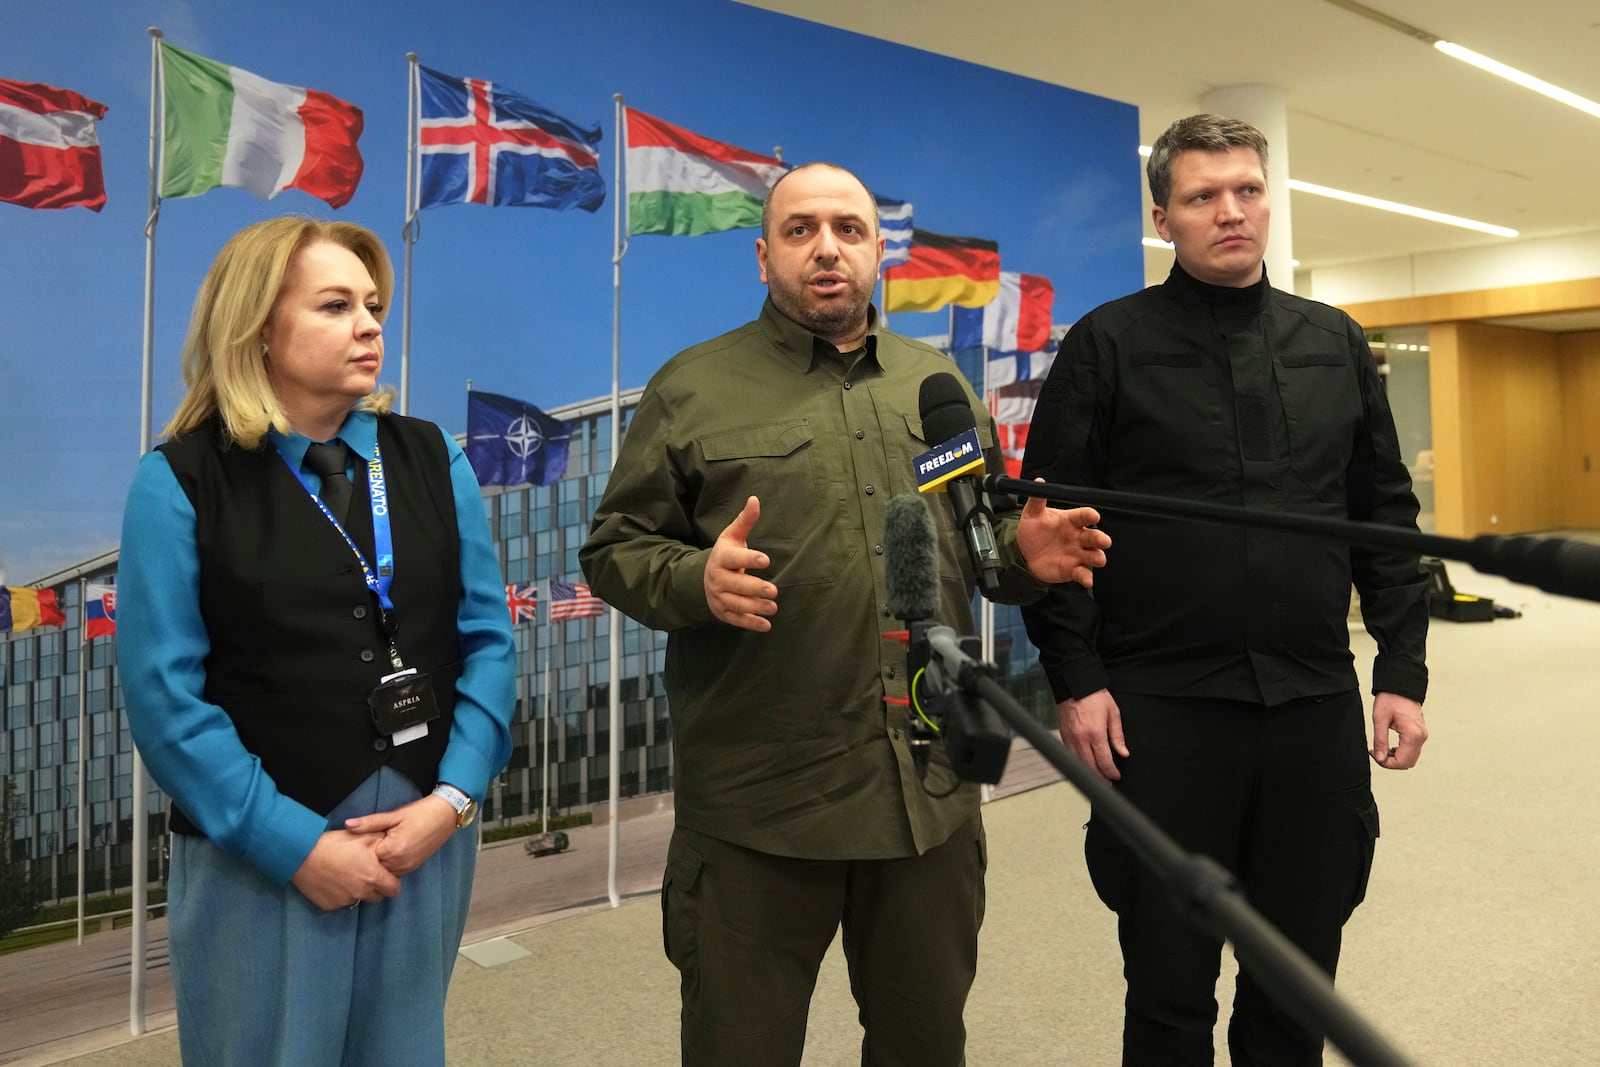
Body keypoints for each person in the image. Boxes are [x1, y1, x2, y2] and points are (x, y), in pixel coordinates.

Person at [580, 161, 1110, 1066]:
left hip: (925, 800)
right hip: (761, 807)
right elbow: (614, 549)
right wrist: (694, 579)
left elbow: (978, 549)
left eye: (849, 230)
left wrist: (1022, 562)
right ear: (762, 256)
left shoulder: (934, 386)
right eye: (800, 230)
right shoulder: (693, 387)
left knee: (924, 1046)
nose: (827, 248)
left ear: (876, 254)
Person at [1021, 114, 1431, 1065]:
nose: (1230, 211)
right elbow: (1049, 532)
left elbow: (1385, 518)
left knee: (1297, 977)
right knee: (1169, 984)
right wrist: (1077, 680)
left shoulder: (1333, 342)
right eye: (1203, 196)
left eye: (1247, 190)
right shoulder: (1106, 346)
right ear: (1164, 216)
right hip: (1162, 713)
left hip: (1311, 703)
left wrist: (1402, 670)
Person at [117, 217, 515, 1066]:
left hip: (424, 838)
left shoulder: (435, 458)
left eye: (372, 304)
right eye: (336, 305)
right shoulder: (179, 479)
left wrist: (452, 801)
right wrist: (292, 845)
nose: (370, 324)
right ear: (259, 326)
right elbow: (165, 701)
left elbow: (488, 640)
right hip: (259, 860)